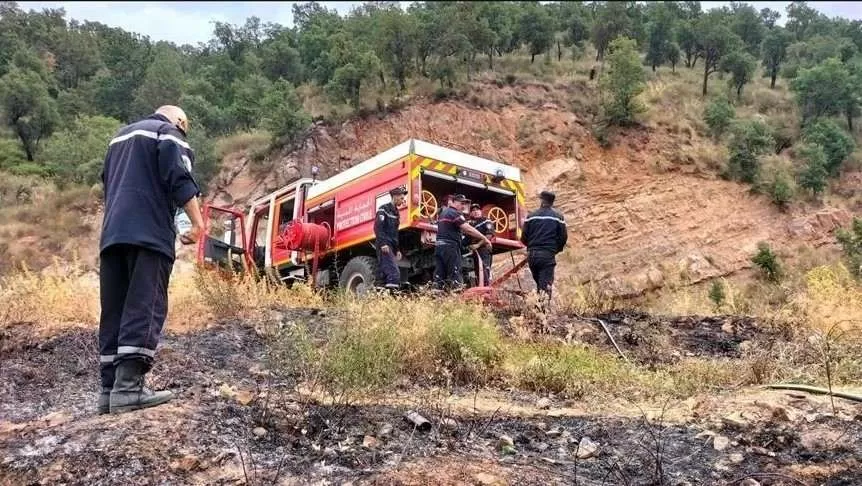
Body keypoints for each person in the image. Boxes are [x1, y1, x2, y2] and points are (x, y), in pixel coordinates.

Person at [98, 105, 204, 415]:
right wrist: (198, 224)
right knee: (144, 305)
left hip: (113, 235)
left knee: (114, 310)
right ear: (180, 122)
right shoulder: (168, 133)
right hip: (149, 234)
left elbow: (108, 184)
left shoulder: (118, 139)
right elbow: (179, 178)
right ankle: (129, 389)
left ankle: (108, 392)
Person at [434, 194, 491, 290]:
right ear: (454, 202)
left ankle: (436, 296)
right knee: (455, 274)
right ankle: (457, 298)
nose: (463, 206)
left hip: (439, 247)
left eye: (464, 203)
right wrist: (484, 239)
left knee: (440, 275)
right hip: (450, 248)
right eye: (461, 203)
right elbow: (468, 229)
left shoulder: (443, 213)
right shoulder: (454, 213)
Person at [521, 191, 567, 300]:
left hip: (532, 256)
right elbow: (563, 238)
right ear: (552, 202)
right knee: (545, 287)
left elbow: (523, 237)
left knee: (540, 285)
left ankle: (539, 312)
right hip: (547, 255)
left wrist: (531, 247)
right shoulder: (558, 217)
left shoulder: (531, 216)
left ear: (541, 200)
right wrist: (555, 250)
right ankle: (543, 314)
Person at [374, 186, 407, 290]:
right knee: (394, 273)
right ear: (395, 197)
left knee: (383, 274)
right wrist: (383, 243)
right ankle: (392, 297)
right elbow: (378, 228)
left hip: (391, 246)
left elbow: (395, 233)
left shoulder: (396, 213)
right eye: (401, 198)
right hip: (384, 245)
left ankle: (381, 297)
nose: (403, 200)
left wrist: (397, 249)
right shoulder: (383, 209)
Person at [466, 204, 495, 286]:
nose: (475, 212)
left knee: (485, 270)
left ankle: (486, 289)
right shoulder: (471, 224)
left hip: (483, 249)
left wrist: (478, 245)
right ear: (470, 213)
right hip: (475, 251)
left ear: (481, 211)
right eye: (473, 210)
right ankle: (480, 291)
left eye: (477, 210)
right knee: (478, 272)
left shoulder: (486, 220)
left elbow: (489, 235)